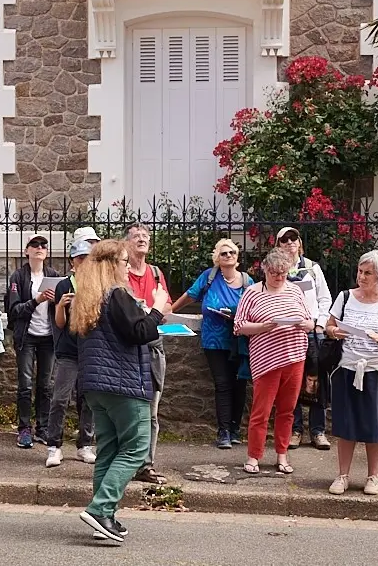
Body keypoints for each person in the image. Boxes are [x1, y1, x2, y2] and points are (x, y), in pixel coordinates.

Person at [72, 239, 171, 543]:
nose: (129, 268)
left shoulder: (88, 297)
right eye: (126, 262)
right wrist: (156, 309)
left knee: (109, 450)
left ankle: (106, 516)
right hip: (123, 385)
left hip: (95, 386)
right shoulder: (116, 295)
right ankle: (100, 508)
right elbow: (138, 332)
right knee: (137, 448)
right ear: (113, 264)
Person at [325, 250, 378, 496]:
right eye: (360, 271)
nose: (362, 276)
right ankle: (342, 475)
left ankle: (373, 476)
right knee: (345, 424)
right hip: (348, 368)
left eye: (368, 273)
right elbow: (329, 326)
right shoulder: (345, 297)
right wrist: (333, 332)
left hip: (375, 371)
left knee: (374, 425)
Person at [233, 248, 313, 475]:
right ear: (265, 270)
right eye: (275, 273)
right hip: (266, 359)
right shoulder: (252, 293)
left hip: (294, 356)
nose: (279, 277)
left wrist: (303, 324)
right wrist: (262, 327)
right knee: (262, 410)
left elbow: (309, 322)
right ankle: (253, 456)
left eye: (284, 273)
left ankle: (282, 454)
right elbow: (239, 326)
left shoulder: (296, 291)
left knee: (287, 410)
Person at [171, 238, 252, 448]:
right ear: (217, 257)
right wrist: (169, 312)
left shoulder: (246, 281)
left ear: (237, 257)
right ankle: (223, 431)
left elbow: (254, 306)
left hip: (238, 339)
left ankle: (235, 429)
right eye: (224, 253)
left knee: (240, 383)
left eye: (232, 252)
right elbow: (190, 295)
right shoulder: (209, 277)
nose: (229, 256)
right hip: (213, 340)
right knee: (222, 383)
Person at [275, 226, 333, 451]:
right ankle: (295, 430)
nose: (290, 243)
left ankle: (318, 431)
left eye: (294, 239)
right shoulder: (276, 269)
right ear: (278, 244)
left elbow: (324, 298)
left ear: (300, 242)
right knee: (291, 382)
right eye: (284, 240)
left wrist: (319, 324)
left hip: (312, 331)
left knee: (315, 380)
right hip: (287, 332)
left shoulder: (313, 268)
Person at [45, 238, 97, 468]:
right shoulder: (63, 286)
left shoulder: (97, 285)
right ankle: (54, 446)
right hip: (68, 350)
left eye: (87, 259)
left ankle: (85, 444)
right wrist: (60, 306)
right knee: (60, 399)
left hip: (91, 349)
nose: (84, 263)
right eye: (80, 259)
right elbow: (59, 324)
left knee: (88, 400)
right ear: (72, 262)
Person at [125, 222, 168, 485]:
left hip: (153, 346)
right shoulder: (121, 272)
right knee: (130, 409)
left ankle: (146, 465)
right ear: (127, 242)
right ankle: (125, 462)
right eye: (136, 236)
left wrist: (159, 310)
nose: (141, 239)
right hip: (129, 347)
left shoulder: (155, 272)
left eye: (145, 236)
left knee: (151, 412)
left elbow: (167, 302)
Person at [6, 234, 59, 448]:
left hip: (49, 338)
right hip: (26, 337)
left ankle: (43, 428)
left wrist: (59, 301)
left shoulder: (54, 275)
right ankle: (24, 429)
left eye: (43, 245)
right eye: (34, 244)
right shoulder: (17, 277)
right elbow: (14, 311)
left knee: (46, 386)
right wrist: (37, 300)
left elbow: (61, 308)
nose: (39, 248)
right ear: (26, 250)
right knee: (25, 385)